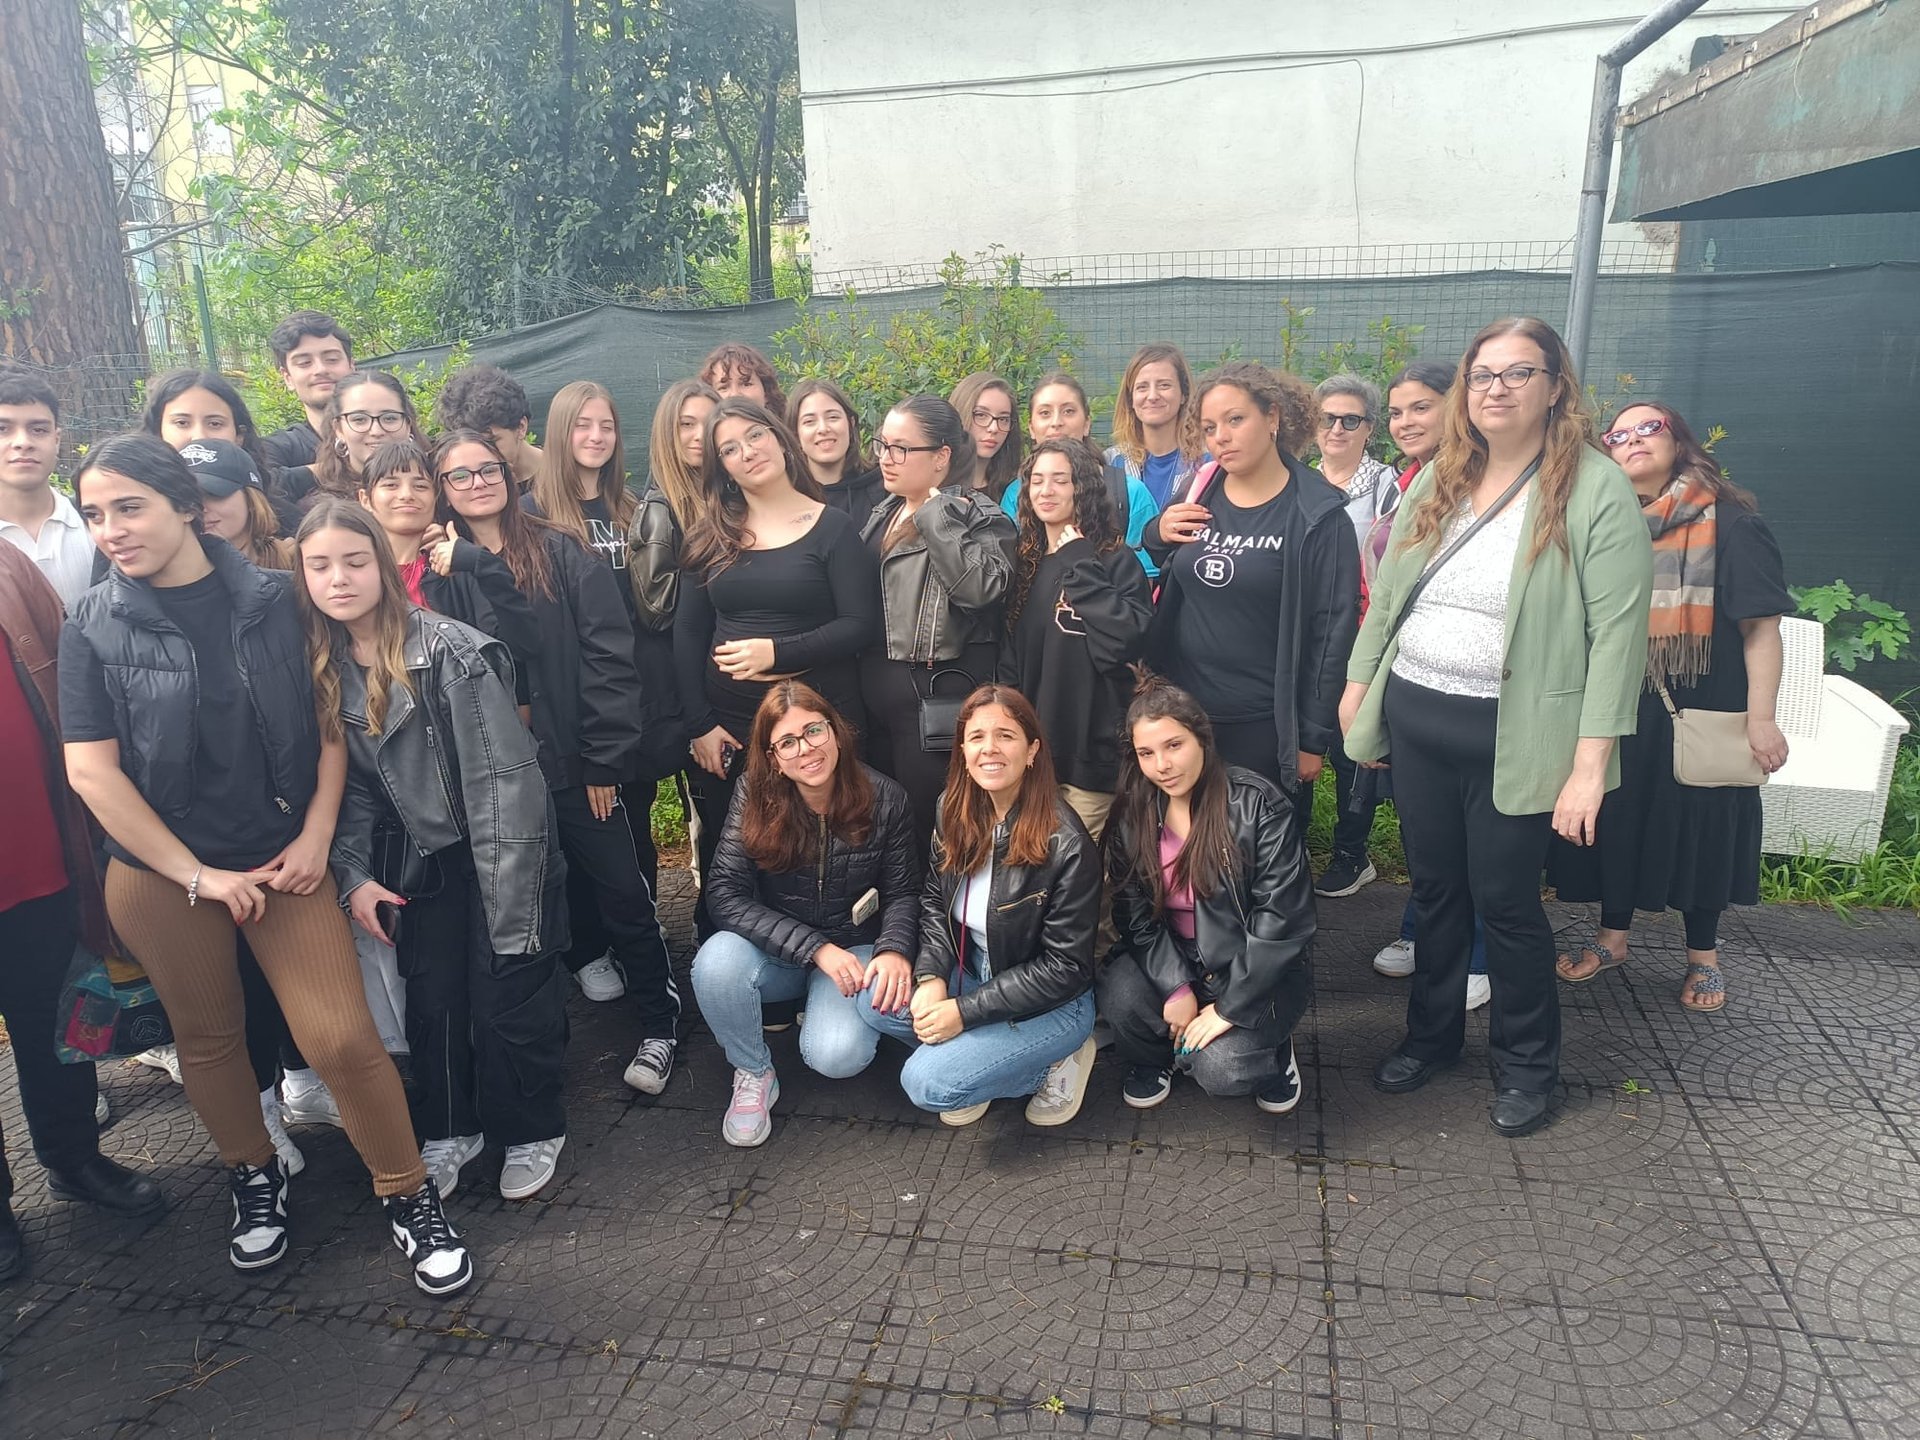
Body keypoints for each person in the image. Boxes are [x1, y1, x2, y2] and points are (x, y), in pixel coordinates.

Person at [59, 433, 469, 1294]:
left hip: (287, 864)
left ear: (184, 506)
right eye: (95, 514)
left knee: (340, 1037)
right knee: (210, 1043)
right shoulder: (92, 625)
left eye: (129, 507)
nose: (111, 530)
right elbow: (91, 770)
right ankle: (254, 1174)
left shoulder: (281, 600)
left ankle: (406, 1190)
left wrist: (318, 836)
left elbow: (328, 724)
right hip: (162, 877)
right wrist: (196, 877)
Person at [1340, 316, 1654, 1139]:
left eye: (1519, 373)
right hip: (1418, 717)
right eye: (1484, 374)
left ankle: (1527, 1069)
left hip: (1521, 736)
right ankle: (1432, 1037)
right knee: (1436, 891)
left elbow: (1619, 636)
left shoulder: (1594, 488)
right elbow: (1396, 589)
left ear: (1556, 387)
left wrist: (1590, 765)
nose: (1498, 389)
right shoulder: (1442, 474)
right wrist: (1358, 681)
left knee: (1508, 904)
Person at [297, 501, 571, 1210]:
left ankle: (533, 1126)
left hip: (496, 854)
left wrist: (513, 903)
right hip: (418, 864)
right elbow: (352, 788)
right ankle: (452, 1128)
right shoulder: (324, 667)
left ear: (384, 568)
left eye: (355, 562)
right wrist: (353, 874)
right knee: (434, 1002)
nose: (339, 579)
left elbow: (504, 786)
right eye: (320, 565)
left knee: (508, 996)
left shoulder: (451, 650)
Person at [437, 430, 680, 1098]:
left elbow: (609, 654)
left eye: (487, 468)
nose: (478, 481)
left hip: (575, 761)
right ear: (443, 489)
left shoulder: (559, 550)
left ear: (508, 473)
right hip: (491, 780)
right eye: (459, 475)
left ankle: (661, 1022)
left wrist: (604, 760)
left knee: (624, 893)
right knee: (523, 914)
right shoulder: (438, 570)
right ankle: (543, 1058)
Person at [1549, 402, 1790, 1013]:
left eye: (1647, 427)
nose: (1631, 440)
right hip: (1623, 706)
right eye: (1618, 433)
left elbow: (1761, 631)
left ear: (1678, 439)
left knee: (1702, 831)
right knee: (1620, 819)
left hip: (1704, 710)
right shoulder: (1605, 522)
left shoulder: (1732, 525)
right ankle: (1613, 938)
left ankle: (1703, 957)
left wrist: (1761, 719)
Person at [0, 542, 166, 1282]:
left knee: (53, 1028)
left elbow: (71, 676)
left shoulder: (6, 565)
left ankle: (73, 1159)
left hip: (37, 859)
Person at [675, 399, 879, 935]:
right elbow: (687, 634)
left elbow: (860, 625)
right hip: (731, 729)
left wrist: (778, 654)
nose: (748, 452)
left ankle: (834, 963)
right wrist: (698, 723)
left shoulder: (831, 529)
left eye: (755, 436)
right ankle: (740, 975)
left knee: (823, 848)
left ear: (779, 438)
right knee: (736, 848)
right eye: (730, 449)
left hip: (819, 725)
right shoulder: (710, 536)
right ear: (722, 469)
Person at [856, 685, 1100, 1128]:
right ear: (963, 751)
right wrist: (930, 976)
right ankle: (980, 1064)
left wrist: (962, 1014)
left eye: (1006, 736)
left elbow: (1065, 968)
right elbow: (934, 901)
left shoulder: (1067, 843)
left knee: (927, 1085)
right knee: (871, 1003)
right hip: (969, 972)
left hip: (1049, 1005)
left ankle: (1057, 1060)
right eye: (977, 737)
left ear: (1032, 751)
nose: (990, 748)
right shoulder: (952, 809)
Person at [692, 682, 921, 1147]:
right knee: (715, 962)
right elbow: (724, 894)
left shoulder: (886, 797)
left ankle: (830, 1013)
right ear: (773, 757)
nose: (806, 750)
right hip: (779, 952)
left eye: (814, 731)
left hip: (853, 953)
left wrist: (895, 948)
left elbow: (903, 891)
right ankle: (754, 1072)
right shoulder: (753, 794)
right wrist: (815, 948)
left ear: (836, 732)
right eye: (788, 742)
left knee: (836, 1057)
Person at [1145, 362, 1360, 817]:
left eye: (1234, 419)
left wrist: (1311, 736)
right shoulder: (1200, 489)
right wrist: (1157, 531)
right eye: (1208, 427)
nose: (1220, 436)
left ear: (1274, 418)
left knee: (1258, 858)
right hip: (1185, 715)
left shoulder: (1318, 515)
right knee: (1185, 849)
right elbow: (1168, 561)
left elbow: (1331, 634)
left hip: (1263, 723)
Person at [1099, 674, 1314, 1112]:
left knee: (1222, 1069)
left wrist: (1226, 1009)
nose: (1162, 765)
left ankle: (1273, 1055)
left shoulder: (1257, 804)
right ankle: (1156, 1059)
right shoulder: (1132, 813)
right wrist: (1175, 987)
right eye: (1147, 753)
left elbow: (1283, 919)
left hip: (1251, 965)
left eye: (1173, 745)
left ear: (1202, 738)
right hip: (1176, 954)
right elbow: (1133, 915)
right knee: (1119, 997)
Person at [1366, 361, 1490, 1009]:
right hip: (1409, 668)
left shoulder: (1480, 478)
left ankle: (1475, 954)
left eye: (1421, 407)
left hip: (1473, 686)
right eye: (1397, 411)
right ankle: (1424, 930)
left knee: (1472, 838)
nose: (1406, 421)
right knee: (1426, 830)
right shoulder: (1411, 479)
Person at [860, 395, 1016, 840]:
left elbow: (982, 590)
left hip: (931, 706)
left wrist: (936, 515)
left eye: (901, 449)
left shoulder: (976, 515)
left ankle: (943, 911)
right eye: (882, 445)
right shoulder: (884, 510)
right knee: (887, 832)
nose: (886, 459)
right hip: (876, 704)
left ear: (942, 456)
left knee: (934, 832)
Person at [998, 439, 1152, 840]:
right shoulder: (1025, 565)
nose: (1046, 491)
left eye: (1060, 481)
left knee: (1083, 878)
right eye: (1037, 480)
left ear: (1081, 488)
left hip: (1091, 760)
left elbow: (1122, 647)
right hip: (1034, 757)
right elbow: (1012, 662)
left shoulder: (1115, 561)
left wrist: (1080, 562)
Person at [1312, 373, 1401, 901]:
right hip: (1311, 634)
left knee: (1352, 748)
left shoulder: (1387, 487)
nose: (1338, 429)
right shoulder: (1297, 481)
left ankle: (1352, 853)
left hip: (1362, 634)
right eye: (1328, 418)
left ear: (1370, 427)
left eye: (1352, 419)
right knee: (1307, 741)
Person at [1001, 373, 1160, 575]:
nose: (1056, 422)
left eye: (1068, 411)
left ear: (1086, 423)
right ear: (1031, 428)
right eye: (1045, 413)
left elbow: (1144, 586)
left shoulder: (1130, 492)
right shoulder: (1015, 494)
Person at [627, 379, 719, 633]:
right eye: (686, 424)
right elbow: (657, 614)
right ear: (667, 431)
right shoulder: (658, 512)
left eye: (711, 423)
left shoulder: (735, 496)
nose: (700, 435)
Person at [0, 366, 93, 609]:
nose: (23, 442)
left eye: (38, 430)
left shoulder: (95, 524)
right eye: (2, 429)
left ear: (57, 439)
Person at [1107, 343, 1205, 512]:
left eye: (1164, 385)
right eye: (1142, 387)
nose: (1152, 396)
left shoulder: (1206, 460)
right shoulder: (1112, 462)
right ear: (1131, 399)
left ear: (1184, 394)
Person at [312, 370, 428, 503]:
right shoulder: (320, 509)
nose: (376, 431)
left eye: (389, 418)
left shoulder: (443, 491)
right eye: (360, 419)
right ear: (338, 429)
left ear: (408, 424)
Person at [260, 311, 354, 471]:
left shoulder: (390, 432)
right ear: (287, 377)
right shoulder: (275, 451)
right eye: (304, 362)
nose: (320, 369)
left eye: (332, 359)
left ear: (352, 367)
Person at [787, 377, 884, 533]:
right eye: (810, 421)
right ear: (795, 434)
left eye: (833, 417)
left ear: (851, 424)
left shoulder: (883, 489)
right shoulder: (787, 497)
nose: (823, 429)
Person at [177, 439, 291, 570]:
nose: (200, 508)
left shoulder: (304, 569)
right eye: (187, 498)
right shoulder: (156, 580)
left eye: (213, 494)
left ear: (252, 500)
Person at [437, 363, 544, 489]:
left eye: (491, 442)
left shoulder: (565, 473)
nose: (484, 453)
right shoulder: (468, 489)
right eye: (473, 444)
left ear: (521, 427)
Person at [949, 372, 1023, 503]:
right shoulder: (934, 485)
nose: (993, 428)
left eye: (1003, 419)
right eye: (981, 415)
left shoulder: (1018, 490)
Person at [700, 343, 785, 416]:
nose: (735, 394)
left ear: (766, 393)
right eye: (723, 387)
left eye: (746, 384)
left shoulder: (789, 433)